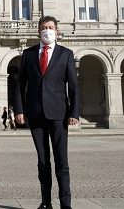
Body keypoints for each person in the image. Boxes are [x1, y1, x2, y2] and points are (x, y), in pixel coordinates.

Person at [14, 16, 79, 209]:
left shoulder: (66, 54)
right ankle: (46, 202)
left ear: (56, 31)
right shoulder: (28, 54)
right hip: (35, 114)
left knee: (61, 161)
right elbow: (20, 85)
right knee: (43, 161)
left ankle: (66, 204)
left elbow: (74, 86)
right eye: (44, 28)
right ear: (38, 32)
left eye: (50, 27)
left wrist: (74, 112)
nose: (47, 30)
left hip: (59, 113)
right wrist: (19, 110)